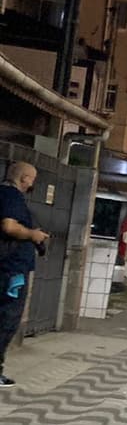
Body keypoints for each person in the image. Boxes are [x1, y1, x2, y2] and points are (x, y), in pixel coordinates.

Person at [0, 162, 48, 386]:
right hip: (11, 270)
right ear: (25, 178)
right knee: (7, 320)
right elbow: (9, 227)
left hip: (9, 267)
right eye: (32, 179)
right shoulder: (11, 196)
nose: (33, 184)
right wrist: (32, 235)